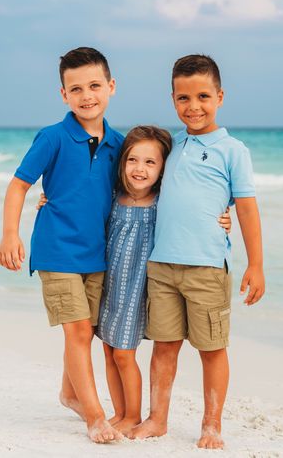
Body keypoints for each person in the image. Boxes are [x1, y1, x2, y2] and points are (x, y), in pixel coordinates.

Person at [37, 126, 232, 435]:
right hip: (109, 286)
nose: (139, 169)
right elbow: (83, 206)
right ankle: (119, 412)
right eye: (132, 160)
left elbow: (194, 208)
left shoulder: (163, 202)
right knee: (109, 352)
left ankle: (132, 416)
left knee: (125, 355)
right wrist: (50, 202)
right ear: (123, 162)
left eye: (150, 162)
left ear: (163, 168)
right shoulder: (115, 197)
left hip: (136, 291)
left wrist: (221, 217)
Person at [129, 54, 266, 449]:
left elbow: (246, 208)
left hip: (207, 267)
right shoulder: (171, 146)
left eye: (203, 96)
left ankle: (211, 424)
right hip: (161, 266)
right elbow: (138, 180)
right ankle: (157, 419)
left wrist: (255, 264)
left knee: (211, 348)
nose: (194, 106)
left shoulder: (232, 150)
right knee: (164, 346)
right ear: (173, 99)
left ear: (220, 96)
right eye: (183, 98)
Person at [0, 47, 123, 444]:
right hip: (57, 249)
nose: (87, 95)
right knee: (78, 333)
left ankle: (70, 393)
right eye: (76, 88)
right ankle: (95, 416)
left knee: (85, 329)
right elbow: (19, 185)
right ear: (63, 94)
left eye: (94, 86)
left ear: (111, 87)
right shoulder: (52, 137)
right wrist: (10, 234)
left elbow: (138, 190)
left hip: (99, 253)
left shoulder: (120, 144)